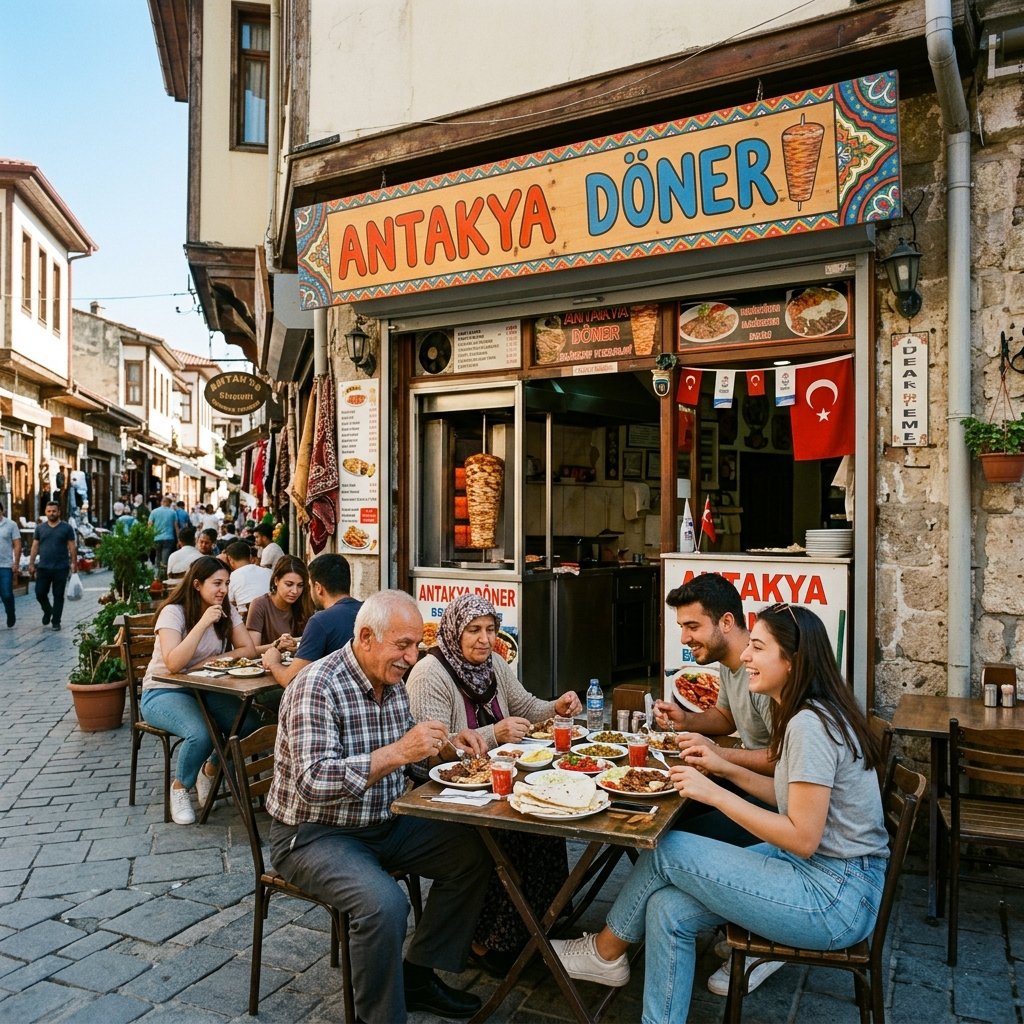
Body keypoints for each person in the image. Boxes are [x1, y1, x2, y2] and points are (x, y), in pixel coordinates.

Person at [551, 604, 888, 1023]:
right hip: (823, 875)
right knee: (666, 909)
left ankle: (604, 953)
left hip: (833, 897)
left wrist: (716, 793)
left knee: (667, 847)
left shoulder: (809, 725)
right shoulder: (808, 712)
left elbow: (803, 836)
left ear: (792, 660)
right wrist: (725, 767)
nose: (745, 656)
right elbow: (788, 798)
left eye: (759, 647)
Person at [267, 589, 492, 1022]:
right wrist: (398, 752)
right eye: (403, 646)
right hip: (313, 834)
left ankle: (418, 975)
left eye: (416, 646)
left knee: (474, 851)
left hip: (385, 820)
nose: (412, 657)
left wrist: (446, 749)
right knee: (383, 905)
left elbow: (412, 754)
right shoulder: (316, 686)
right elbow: (313, 782)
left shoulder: (391, 681)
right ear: (366, 637)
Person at [406, 594, 582, 973]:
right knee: (509, 834)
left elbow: (527, 707)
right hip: (443, 791)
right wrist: (494, 734)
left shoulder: (495, 664)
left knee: (544, 820)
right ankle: (488, 942)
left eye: (490, 629)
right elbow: (431, 750)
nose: (484, 639)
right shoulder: (428, 674)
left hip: (495, 780)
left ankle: (537, 924)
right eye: (474, 630)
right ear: (454, 631)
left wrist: (557, 706)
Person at [140, 556, 260, 825]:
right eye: (217, 583)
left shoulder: (226, 609)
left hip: (206, 688)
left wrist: (206, 662)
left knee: (248, 724)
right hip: (162, 691)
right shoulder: (174, 611)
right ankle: (181, 788)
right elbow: (173, 663)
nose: (223, 589)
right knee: (200, 734)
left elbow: (249, 650)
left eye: (227, 583)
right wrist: (204, 622)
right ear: (196, 584)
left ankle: (210, 769)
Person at [261, 553, 360, 687]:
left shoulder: (320, 621)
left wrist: (273, 662)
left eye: (307, 585)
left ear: (318, 588)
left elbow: (291, 680)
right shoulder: (368, 610)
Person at [245, 555, 314, 655]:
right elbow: (252, 650)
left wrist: (295, 644)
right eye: (289, 584)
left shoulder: (305, 602)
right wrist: (276, 645)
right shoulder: (259, 605)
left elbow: (313, 640)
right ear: (276, 581)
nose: (295, 591)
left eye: (300, 585)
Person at [27, 501, 77, 631]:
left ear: (59, 512)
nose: (51, 513)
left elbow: (72, 546)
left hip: (61, 567)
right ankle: (48, 610)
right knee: (39, 593)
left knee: (58, 595)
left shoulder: (66, 528)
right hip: (43, 567)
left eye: (54, 511)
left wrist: (74, 562)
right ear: (45, 512)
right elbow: (35, 546)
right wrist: (31, 563)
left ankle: (56, 621)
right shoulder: (40, 528)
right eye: (49, 511)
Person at [223, 540, 271, 618]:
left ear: (230, 559)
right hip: (271, 615)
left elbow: (230, 602)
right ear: (250, 557)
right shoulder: (269, 572)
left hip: (247, 619)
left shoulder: (231, 577)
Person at [0, 506, 22, 628]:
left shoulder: (11, 525)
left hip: (5, 565)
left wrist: (16, 563)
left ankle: (10, 613)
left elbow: (17, 544)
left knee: (6, 594)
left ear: (1, 511)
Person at [148, 495, 178, 577]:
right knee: (165, 560)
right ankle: (163, 578)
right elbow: (176, 527)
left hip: (156, 538)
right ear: (168, 503)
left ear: (162, 502)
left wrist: (149, 539)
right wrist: (179, 540)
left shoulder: (154, 512)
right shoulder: (173, 512)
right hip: (169, 538)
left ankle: (156, 578)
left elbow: (149, 526)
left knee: (157, 558)